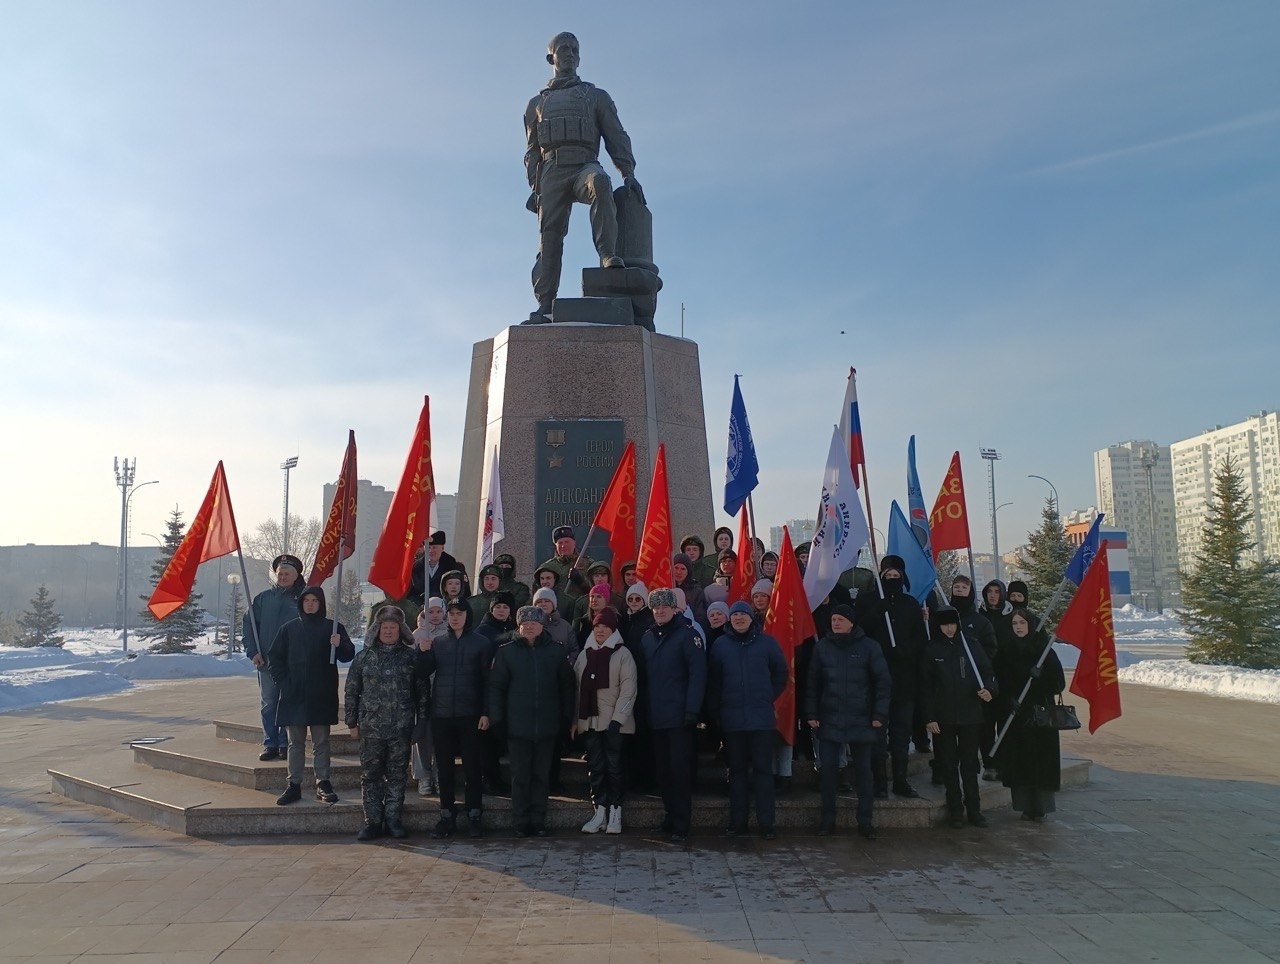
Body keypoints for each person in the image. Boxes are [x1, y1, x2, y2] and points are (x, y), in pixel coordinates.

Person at [524, 31, 644, 319]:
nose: (569, 53)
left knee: (600, 182)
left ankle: (607, 254)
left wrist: (628, 173)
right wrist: (535, 187)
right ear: (551, 58)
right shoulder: (536, 105)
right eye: (563, 48)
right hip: (551, 171)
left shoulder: (596, 96)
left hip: (584, 165)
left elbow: (616, 136)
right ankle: (545, 303)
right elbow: (532, 150)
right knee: (549, 236)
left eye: (574, 49)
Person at [804, 603, 889, 839]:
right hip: (829, 719)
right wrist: (811, 714)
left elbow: (883, 683)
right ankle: (827, 821)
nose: (836, 623)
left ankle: (865, 822)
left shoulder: (869, 647)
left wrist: (879, 715)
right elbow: (812, 684)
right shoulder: (822, 647)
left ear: (852, 622)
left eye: (840, 619)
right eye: (833, 619)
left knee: (864, 773)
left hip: (862, 720)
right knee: (828, 773)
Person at [489, 606, 575, 837]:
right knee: (520, 776)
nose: (529, 627)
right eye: (525, 623)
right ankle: (520, 820)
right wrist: (497, 720)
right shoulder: (506, 652)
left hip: (547, 726)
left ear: (541, 625)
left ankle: (538, 820)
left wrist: (566, 717)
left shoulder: (556, 651)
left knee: (541, 775)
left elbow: (567, 687)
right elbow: (496, 688)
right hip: (517, 727)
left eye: (534, 623)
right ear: (519, 626)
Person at [345, 606, 430, 841]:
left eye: (393, 627)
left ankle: (393, 819)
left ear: (400, 631)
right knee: (370, 776)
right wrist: (351, 722)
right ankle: (372, 821)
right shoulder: (364, 658)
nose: (389, 631)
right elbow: (351, 691)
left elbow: (422, 692)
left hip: (401, 729)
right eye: (385, 627)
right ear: (377, 629)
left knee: (397, 776)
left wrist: (421, 722)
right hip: (371, 729)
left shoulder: (411, 658)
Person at [708, 601, 788, 839]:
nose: (739, 618)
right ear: (730, 619)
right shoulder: (720, 645)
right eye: (735, 615)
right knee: (737, 773)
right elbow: (714, 681)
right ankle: (738, 822)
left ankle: (766, 824)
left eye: (743, 614)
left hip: (761, 721)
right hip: (733, 721)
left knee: (764, 773)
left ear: (751, 618)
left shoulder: (767, 643)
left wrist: (767, 695)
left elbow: (781, 673)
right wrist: (717, 712)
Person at [269, 586, 355, 806]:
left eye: (314, 600)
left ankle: (323, 782)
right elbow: (275, 659)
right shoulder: (289, 629)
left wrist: (339, 644)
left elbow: (348, 655)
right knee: (295, 743)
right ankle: (294, 784)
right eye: (306, 600)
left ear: (321, 603)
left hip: (321, 694)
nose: (310, 604)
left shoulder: (332, 628)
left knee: (321, 742)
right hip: (294, 695)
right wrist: (285, 684)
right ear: (301, 603)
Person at [855, 555, 928, 800]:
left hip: (903, 680)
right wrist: (876, 612)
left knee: (901, 733)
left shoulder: (911, 604)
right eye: (888, 576)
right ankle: (879, 783)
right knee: (876, 734)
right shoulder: (869, 601)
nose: (893, 579)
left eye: (897, 576)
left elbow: (920, 638)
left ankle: (900, 780)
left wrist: (905, 650)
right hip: (875, 680)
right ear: (881, 577)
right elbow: (858, 631)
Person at [421, 598, 494, 839]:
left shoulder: (481, 643)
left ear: (467, 615)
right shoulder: (438, 643)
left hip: (470, 714)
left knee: (472, 768)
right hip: (442, 715)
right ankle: (446, 815)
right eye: (451, 613)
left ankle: (474, 814)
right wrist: (422, 652)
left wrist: (486, 712)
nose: (454, 618)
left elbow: (488, 681)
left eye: (459, 613)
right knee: (444, 768)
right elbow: (423, 672)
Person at [920, 606, 997, 829]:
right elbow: (925, 686)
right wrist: (929, 717)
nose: (949, 628)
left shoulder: (971, 645)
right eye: (945, 624)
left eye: (952, 624)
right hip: (943, 717)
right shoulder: (932, 649)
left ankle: (974, 809)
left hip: (970, 715)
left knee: (970, 765)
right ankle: (955, 810)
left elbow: (987, 672)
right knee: (949, 765)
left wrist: (990, 690)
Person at [640, 588, 706, 843]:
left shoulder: (688, 635)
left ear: (674, 609)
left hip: (680, 716)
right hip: (656, 715)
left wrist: (692, 710)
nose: (660, 611)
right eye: (655, 608)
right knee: (663, 771)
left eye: (664, 607)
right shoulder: (647, 638)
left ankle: (682, 822)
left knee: (679, 771)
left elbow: (698, 675)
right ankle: (669, 816)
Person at [997, 609, 1066, 822]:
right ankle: (1025, 806)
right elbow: (1000, 681)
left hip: (1041, 717)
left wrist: (1042, 675)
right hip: (1018, 718)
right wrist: (1009, 699)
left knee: (1041, 762)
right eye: (1014, 623)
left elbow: (1058, 684)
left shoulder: (1044, 651)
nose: (1018, 627)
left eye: (1022, 623)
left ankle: (1041, 806)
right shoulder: (1006, 650)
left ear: (1031, 625)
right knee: (1021, 762)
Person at [573, 607, 638, 834]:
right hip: (590, 722)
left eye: (605, 627)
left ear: (613, 630)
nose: (600, 630)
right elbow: (577, 690)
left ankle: (615, 810)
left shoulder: (623, 654)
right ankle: (599, 810)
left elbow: (629, 690)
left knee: (614, 767)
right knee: (596, 767)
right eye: (597, 626)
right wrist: (575, 721)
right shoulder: (584, 655)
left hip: (614, 724)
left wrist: (618, 719)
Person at [244, 553, 306, 761]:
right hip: (266, 662)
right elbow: (249, 626)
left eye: (287, 574)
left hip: (292, 663)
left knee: (287, 702)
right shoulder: (263, 599)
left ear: (296, 576)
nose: (283, 577)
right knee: (269, 703)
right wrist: (253, 652)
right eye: (280, 573)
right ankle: (270, 743)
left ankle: (285, 743)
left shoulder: (303, 599)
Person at [949, 574, 1001, 780]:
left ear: (970, 591)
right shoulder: (944, 616)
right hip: (950, 683)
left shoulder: (980, 621)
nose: (960, 590)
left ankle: (989, 764)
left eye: (964, 587)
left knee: (984, 727)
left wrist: (976, 666)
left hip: (975, 684)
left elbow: (990, 649)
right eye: (956, 587)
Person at [411, 604, 448, 797]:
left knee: (441, 737)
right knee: (422, 736)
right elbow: (409, 664)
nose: (434, 615)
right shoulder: (416, 635)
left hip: (443, 692)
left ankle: (439, 775)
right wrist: (420, 650)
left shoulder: (450, 632)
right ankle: (423, 776)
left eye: (439, 611)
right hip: (422, 693)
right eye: (430, 612)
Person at [537, 526, 592, 616]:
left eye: (567, 542)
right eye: (560, 543)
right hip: (555, 613)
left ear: (574, 543)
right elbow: (537, 593)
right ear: (555, 545)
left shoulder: (587, 564)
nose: (563, 546)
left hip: (580, 612)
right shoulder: (547, 567)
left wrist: (581, 581)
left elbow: (596, 590)